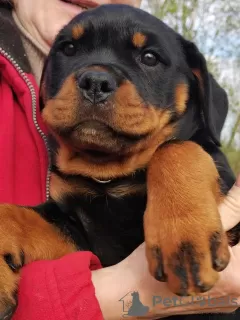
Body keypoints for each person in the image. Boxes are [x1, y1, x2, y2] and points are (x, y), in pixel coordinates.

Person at [0, 0, 239, 319]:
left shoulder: (191, 164)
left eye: (150, 58)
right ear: (45, 83)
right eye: (70, 48)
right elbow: (63, 233)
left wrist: (183, 170)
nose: (95, 79)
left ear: (195, 85)